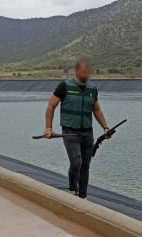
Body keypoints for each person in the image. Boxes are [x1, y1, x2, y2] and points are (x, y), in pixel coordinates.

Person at [44, 58, 111, 199]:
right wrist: (48, 128)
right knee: (76, 162)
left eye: (88, 73)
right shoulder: (64, 86)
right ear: (76, 71)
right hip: (70, 132)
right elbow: (51, 106)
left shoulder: (92, 89)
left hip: (87, 132)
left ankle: (83, 196)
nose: (85, 76)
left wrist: (105, 128)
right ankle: (73, 190)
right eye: (83, 73)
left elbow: (97, 110)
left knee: (85, 165)